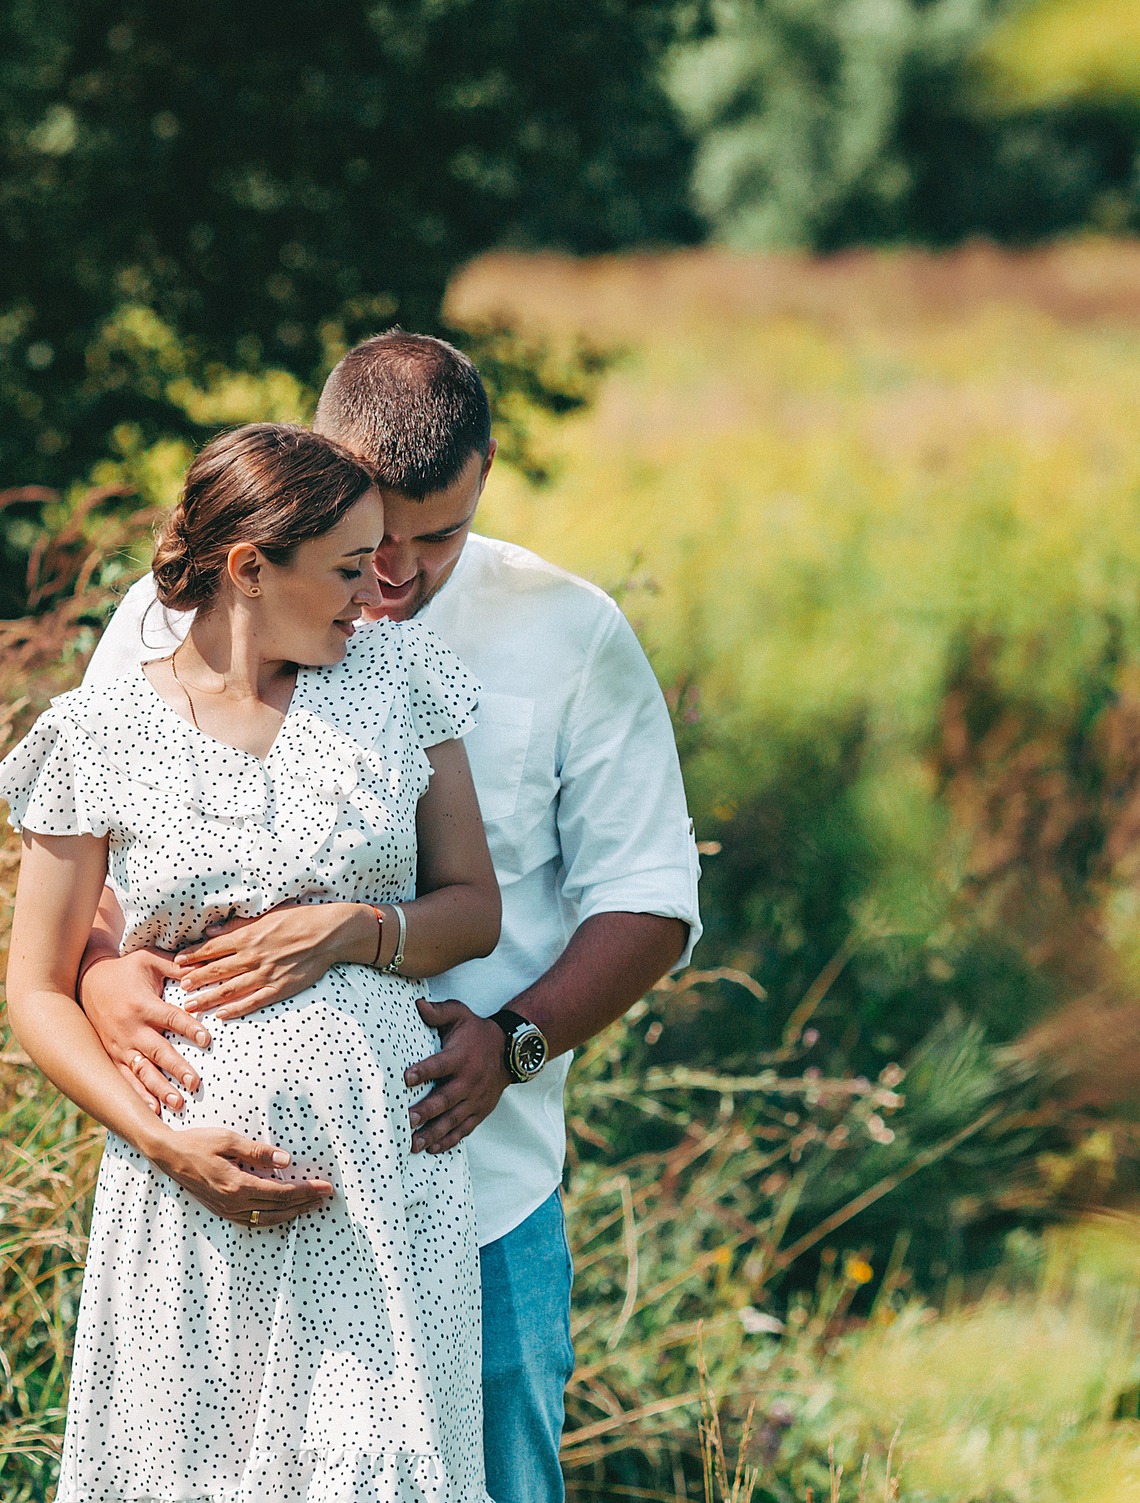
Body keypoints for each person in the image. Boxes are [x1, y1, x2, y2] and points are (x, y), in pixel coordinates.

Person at [76, 332, 703, 1503]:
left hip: (478, 1192)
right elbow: (91, 858)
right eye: (374, 534)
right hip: (220, 1199)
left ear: (487, 475)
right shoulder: (171, 616)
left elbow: (650, 901)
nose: (396, 574)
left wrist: (513, 1042)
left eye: (438, 536)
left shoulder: (569, 635)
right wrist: (102, 973)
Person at [0, 421, 507, 1503]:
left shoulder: (398, 679)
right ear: (248, 568)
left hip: (379, 1184)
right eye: (348, 568)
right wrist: (163, 1144)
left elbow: (473, 910)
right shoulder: (96, 730)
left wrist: (361, 929)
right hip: (188, 1193)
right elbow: (33, 988)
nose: (373, 593)